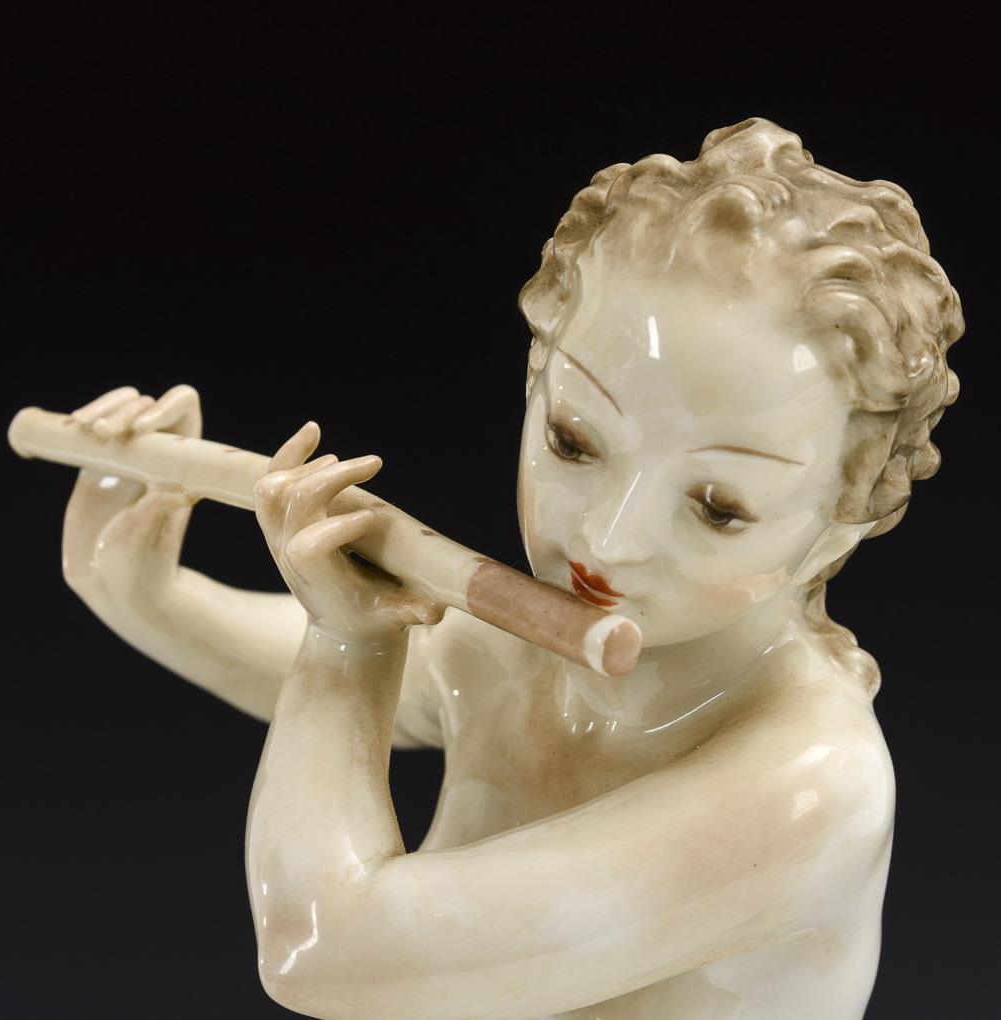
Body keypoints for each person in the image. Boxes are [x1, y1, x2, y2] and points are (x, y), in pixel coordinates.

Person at [61, 117, 964, 1019]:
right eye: (574, 441)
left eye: (718, 507)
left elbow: (324, 949)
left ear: (840, 526)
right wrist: (138, 588)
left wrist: (347, 648)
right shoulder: (519, 647)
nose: (608, 540)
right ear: (536, 379)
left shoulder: (807, 789)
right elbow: (355, 667)